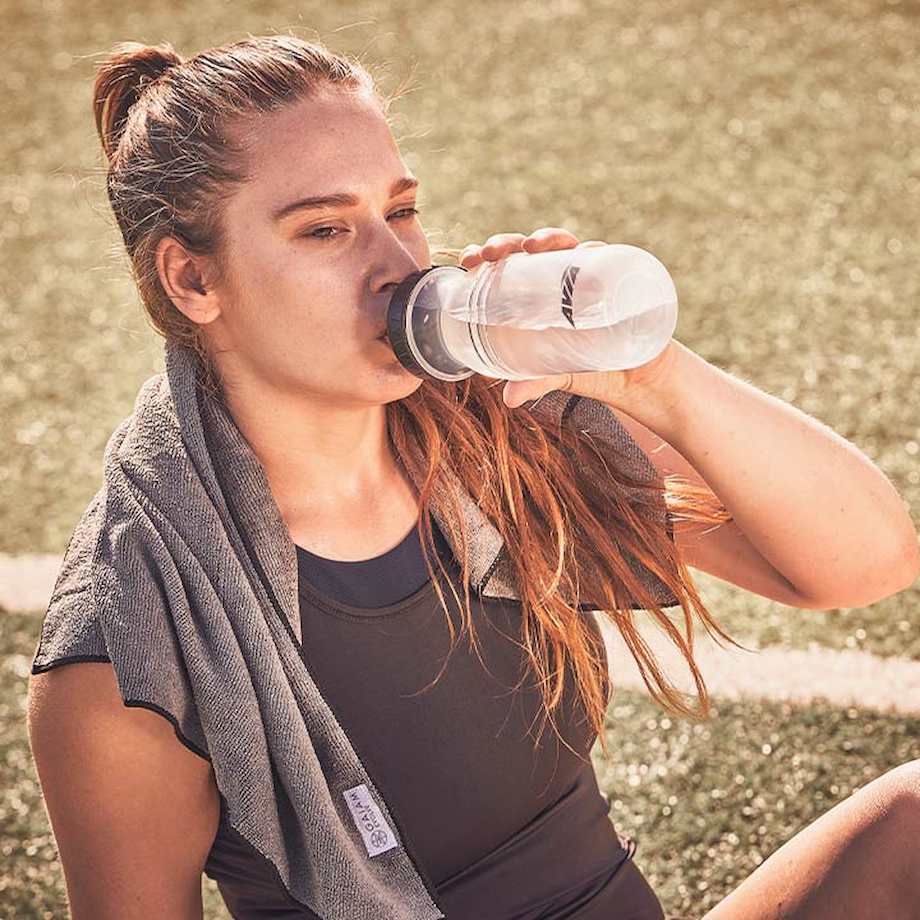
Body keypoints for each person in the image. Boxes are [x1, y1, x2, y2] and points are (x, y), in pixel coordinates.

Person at [25, 33, 919, 920]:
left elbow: (864, 564)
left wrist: (652, 378)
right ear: (192, 278)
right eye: (327, 229)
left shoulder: (500, 430)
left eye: (402, 211)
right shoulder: (129, 644)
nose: (399, 266)